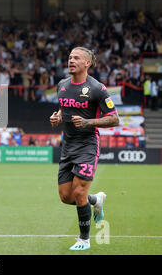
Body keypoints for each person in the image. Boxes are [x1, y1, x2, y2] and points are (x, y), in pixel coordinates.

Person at [50, 47, 119, 251]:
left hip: (88, 145)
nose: (71, 60)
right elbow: (64, 108)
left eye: (76, 58)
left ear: (87, 63)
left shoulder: (97, 88)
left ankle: (84, 239)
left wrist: (89, 122)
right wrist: (58, 117)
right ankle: (96, 200)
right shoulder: (62, 85)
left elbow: (114, 118)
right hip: (68, 145)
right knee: (66, 196)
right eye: (70, 57)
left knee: (79, 191)